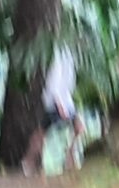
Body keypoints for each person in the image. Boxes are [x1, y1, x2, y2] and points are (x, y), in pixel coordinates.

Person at [24, 44, 84, 174]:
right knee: (42, 132)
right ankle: (29, 161)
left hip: (66, 101)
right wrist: (60, 105)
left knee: (78, 127)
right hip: (54, 101)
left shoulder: (70, 57)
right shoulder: (59, 56)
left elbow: (68, 85)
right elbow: (53, 84)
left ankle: (69, 158)